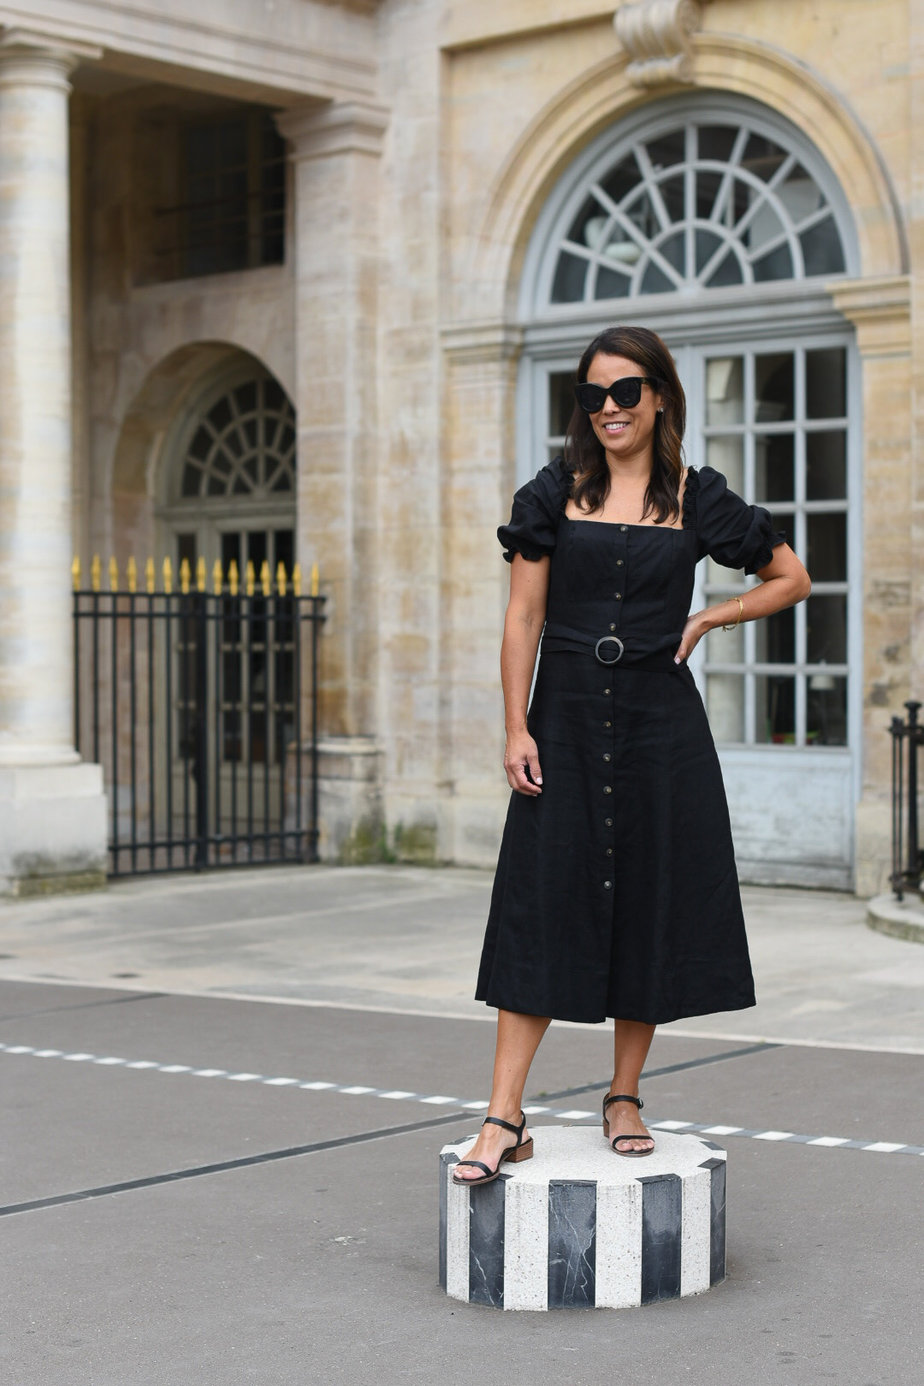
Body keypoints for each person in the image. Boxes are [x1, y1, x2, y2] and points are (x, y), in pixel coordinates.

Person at [452, 325, 811, 1186]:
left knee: (648, 899)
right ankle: (505, 1113)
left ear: (658, 397)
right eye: (592, 395)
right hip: (566, 718)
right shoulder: (551, 494)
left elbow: (790, 577)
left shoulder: (697, 496)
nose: (608, 409)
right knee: (541, 901)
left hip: (660, 724)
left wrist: (707, 618)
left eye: (625, 392)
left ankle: (624, 1096)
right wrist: (515, 726)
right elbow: (523, 618)